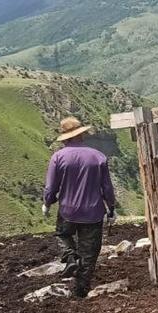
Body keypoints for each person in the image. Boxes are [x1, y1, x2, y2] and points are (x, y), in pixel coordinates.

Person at [42, 117, 117, 298]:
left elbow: (51, 187)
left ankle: (70, 257)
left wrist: (47, 203)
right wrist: (111, 208)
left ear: (65, 137)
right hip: (93, 212)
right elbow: (106, 187)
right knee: (90, 252)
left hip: (68, 210)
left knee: (62, 234)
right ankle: (81, 290)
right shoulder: (98, 156)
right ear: (81, 134)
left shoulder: (58, 157)